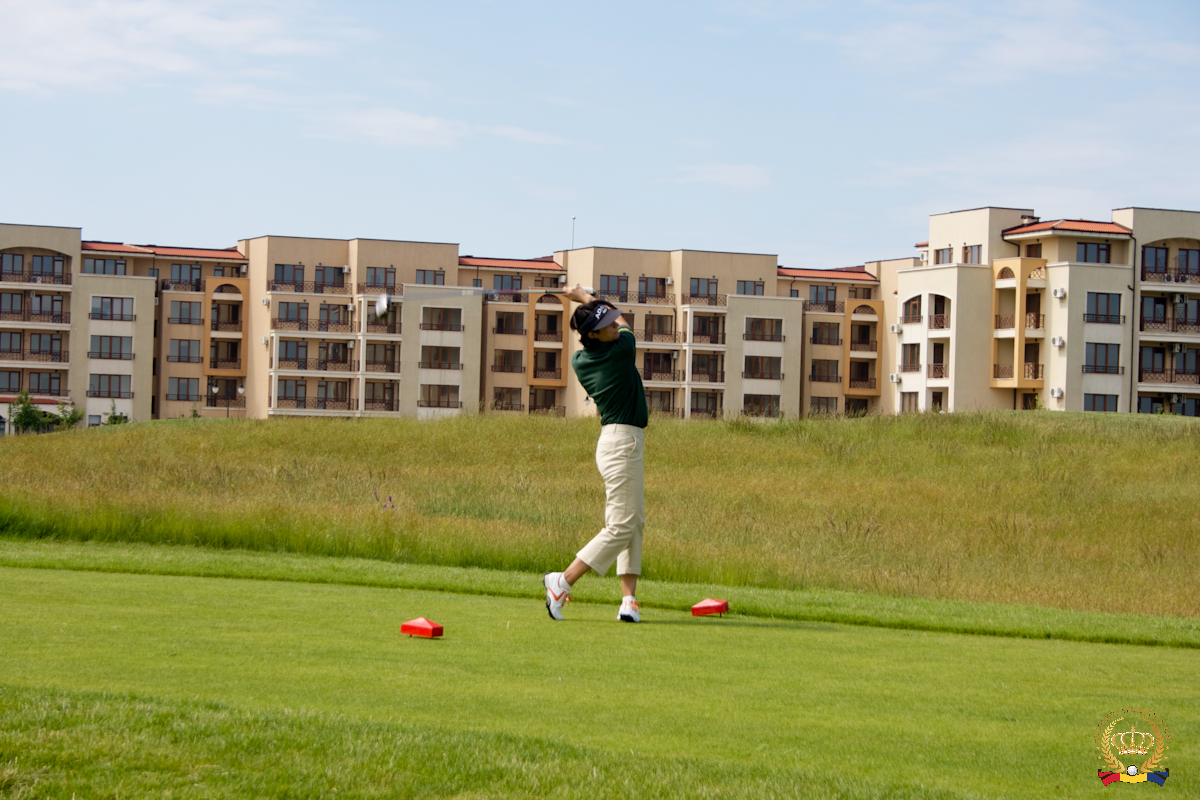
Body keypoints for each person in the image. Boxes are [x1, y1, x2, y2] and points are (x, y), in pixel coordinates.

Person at [543, 284, 648, 623]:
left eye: (613, 321)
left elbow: (611, 324)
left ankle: (628, 601)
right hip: (623, 444)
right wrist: (586, 298)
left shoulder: (580, 360)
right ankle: (562, 581)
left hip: (617, 442)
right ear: (594, 335)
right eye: (608, 324)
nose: (615, 325)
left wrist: (589, 306)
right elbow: (628, 327)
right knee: (621, 525)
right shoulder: (622, 350)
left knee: (632, 522)